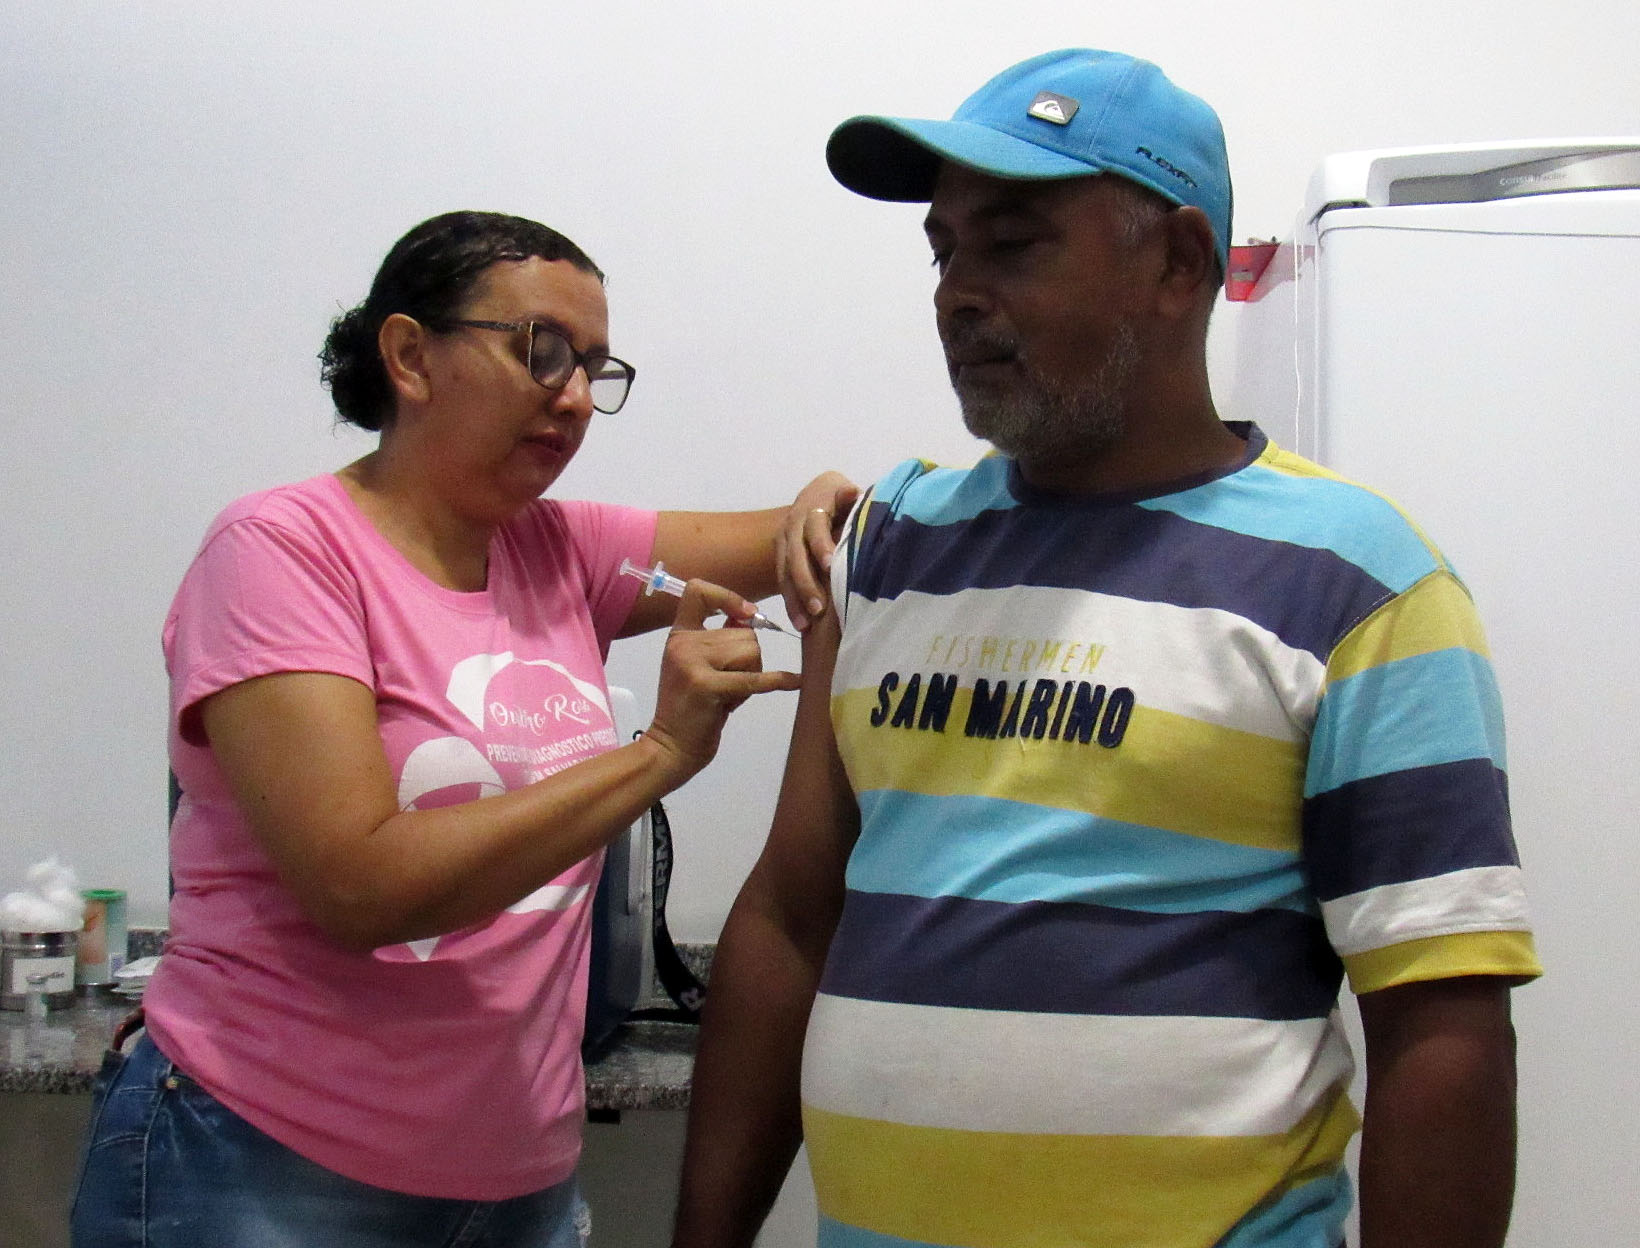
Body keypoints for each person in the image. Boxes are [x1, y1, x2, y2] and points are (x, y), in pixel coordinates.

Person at [672, 49, 1542, 1248]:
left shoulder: (1358, 581)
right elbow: (787, 920)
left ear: (1176, 264)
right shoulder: (887, 545)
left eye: (1011, 244)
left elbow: (1439, 1020)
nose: (955, 294)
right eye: (943, 250)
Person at [69, 210, 856, 1247]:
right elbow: (362, 886)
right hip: (267, 1161)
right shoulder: (281, 552)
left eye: (594, 368)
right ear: (409, 356)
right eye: (541, 351)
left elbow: (813, 534)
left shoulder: (561, 550)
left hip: (515, 1177)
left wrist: (830, 497)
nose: (574, 397)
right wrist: (659, 755)